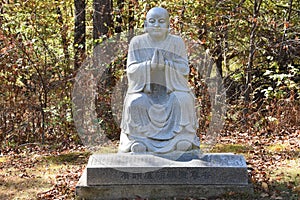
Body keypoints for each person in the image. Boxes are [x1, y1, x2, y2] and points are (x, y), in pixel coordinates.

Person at [119, 7, 200, 154]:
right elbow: (131, 70)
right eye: (152, 21)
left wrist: (166, 66)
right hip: (145, 91)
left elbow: (184, 69)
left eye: (161, 21)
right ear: (145, 25)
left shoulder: (176, 43)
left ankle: (182, 139)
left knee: (183, 99)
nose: (156, 25)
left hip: (171, 90)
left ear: (168, 25)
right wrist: (149, 66)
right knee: (135, 102)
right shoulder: (137, 43)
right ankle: (138, 140)